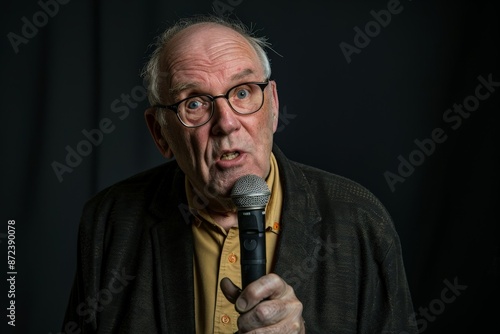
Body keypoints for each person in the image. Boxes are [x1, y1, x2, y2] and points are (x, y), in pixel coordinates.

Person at [62, 14, 417, 333]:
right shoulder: (109, 223)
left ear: (273, 107)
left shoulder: (360, 222)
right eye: (195, 103)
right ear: (160, 133)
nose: (226, 123)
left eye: (243, 92)